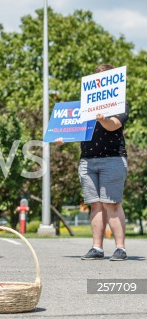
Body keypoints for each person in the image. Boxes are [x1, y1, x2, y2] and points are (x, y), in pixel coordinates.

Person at [55, 63, 128, 261]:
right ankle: (97, 248)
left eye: (103, 79)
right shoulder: (83, 107)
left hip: (112, 159)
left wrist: (102, 118)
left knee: (111, 204)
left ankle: (120, 248)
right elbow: (73, 128)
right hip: (87, 161)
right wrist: (62, 137)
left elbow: (113, 126)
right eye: (97, 79)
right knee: (95, 205)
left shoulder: (120, 105)